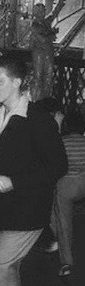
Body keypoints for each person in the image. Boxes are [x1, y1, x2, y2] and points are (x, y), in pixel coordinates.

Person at [0, 58, 67, 286]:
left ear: (18, 82)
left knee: (1, 265)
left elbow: (58, 166)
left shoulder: (38, 119)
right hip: (2, 210)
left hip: (28, 210)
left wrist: (14, 181)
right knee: (8, 270)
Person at [50, 111, 85, 277]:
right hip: (83, 181)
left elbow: (55, 164)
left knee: (64, 224)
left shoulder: (61, 142)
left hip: (66, 185)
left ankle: (66, 263)